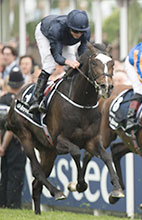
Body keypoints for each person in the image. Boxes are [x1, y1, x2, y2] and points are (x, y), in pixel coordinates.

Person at [27, 9, 91, 113]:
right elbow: (56, 55)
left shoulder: (86, 31)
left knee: (73, 63)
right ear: (69, 27)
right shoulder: (56, 30)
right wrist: (68, 62)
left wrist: (81, 61)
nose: (79, 34)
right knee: (50, 65)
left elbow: (82, 49)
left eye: (81, 32)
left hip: (65, 38)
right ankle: (36, 99)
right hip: (45, 33)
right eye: (75, 31)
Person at [0, 67, 26, 209]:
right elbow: (12, 127)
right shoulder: (19, 102)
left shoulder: (2, 99)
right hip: (16, 143)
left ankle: (2, 202)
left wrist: (1, 146)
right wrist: (3, 145)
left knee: (5, 173)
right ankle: (13, 204)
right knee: (16, 175)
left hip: (3, 142)